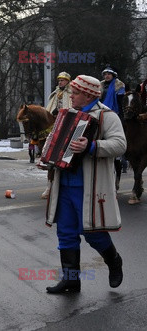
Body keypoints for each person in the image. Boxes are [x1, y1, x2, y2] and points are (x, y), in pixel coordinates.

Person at [44, 75, 126, 294]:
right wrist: (46, 158)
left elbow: (120, 144)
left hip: (90, 186)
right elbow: (52, 140)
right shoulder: (66, 115)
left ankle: (114, 262)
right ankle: (71, 280)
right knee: (66, 233)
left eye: (75, 93)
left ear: (88, 94)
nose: (71, 96)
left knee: (92, 232)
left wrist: (91, 146)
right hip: (64, 184)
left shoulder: (107, 115)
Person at [100, 65, 126, 187]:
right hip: (101, 114)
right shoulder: (99, 86)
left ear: (113, 75)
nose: (106, 76)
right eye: (105, 74)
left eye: (109, 74)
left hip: (115, 114)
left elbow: (122, 103)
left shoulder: (119, 85)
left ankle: (121, 156)